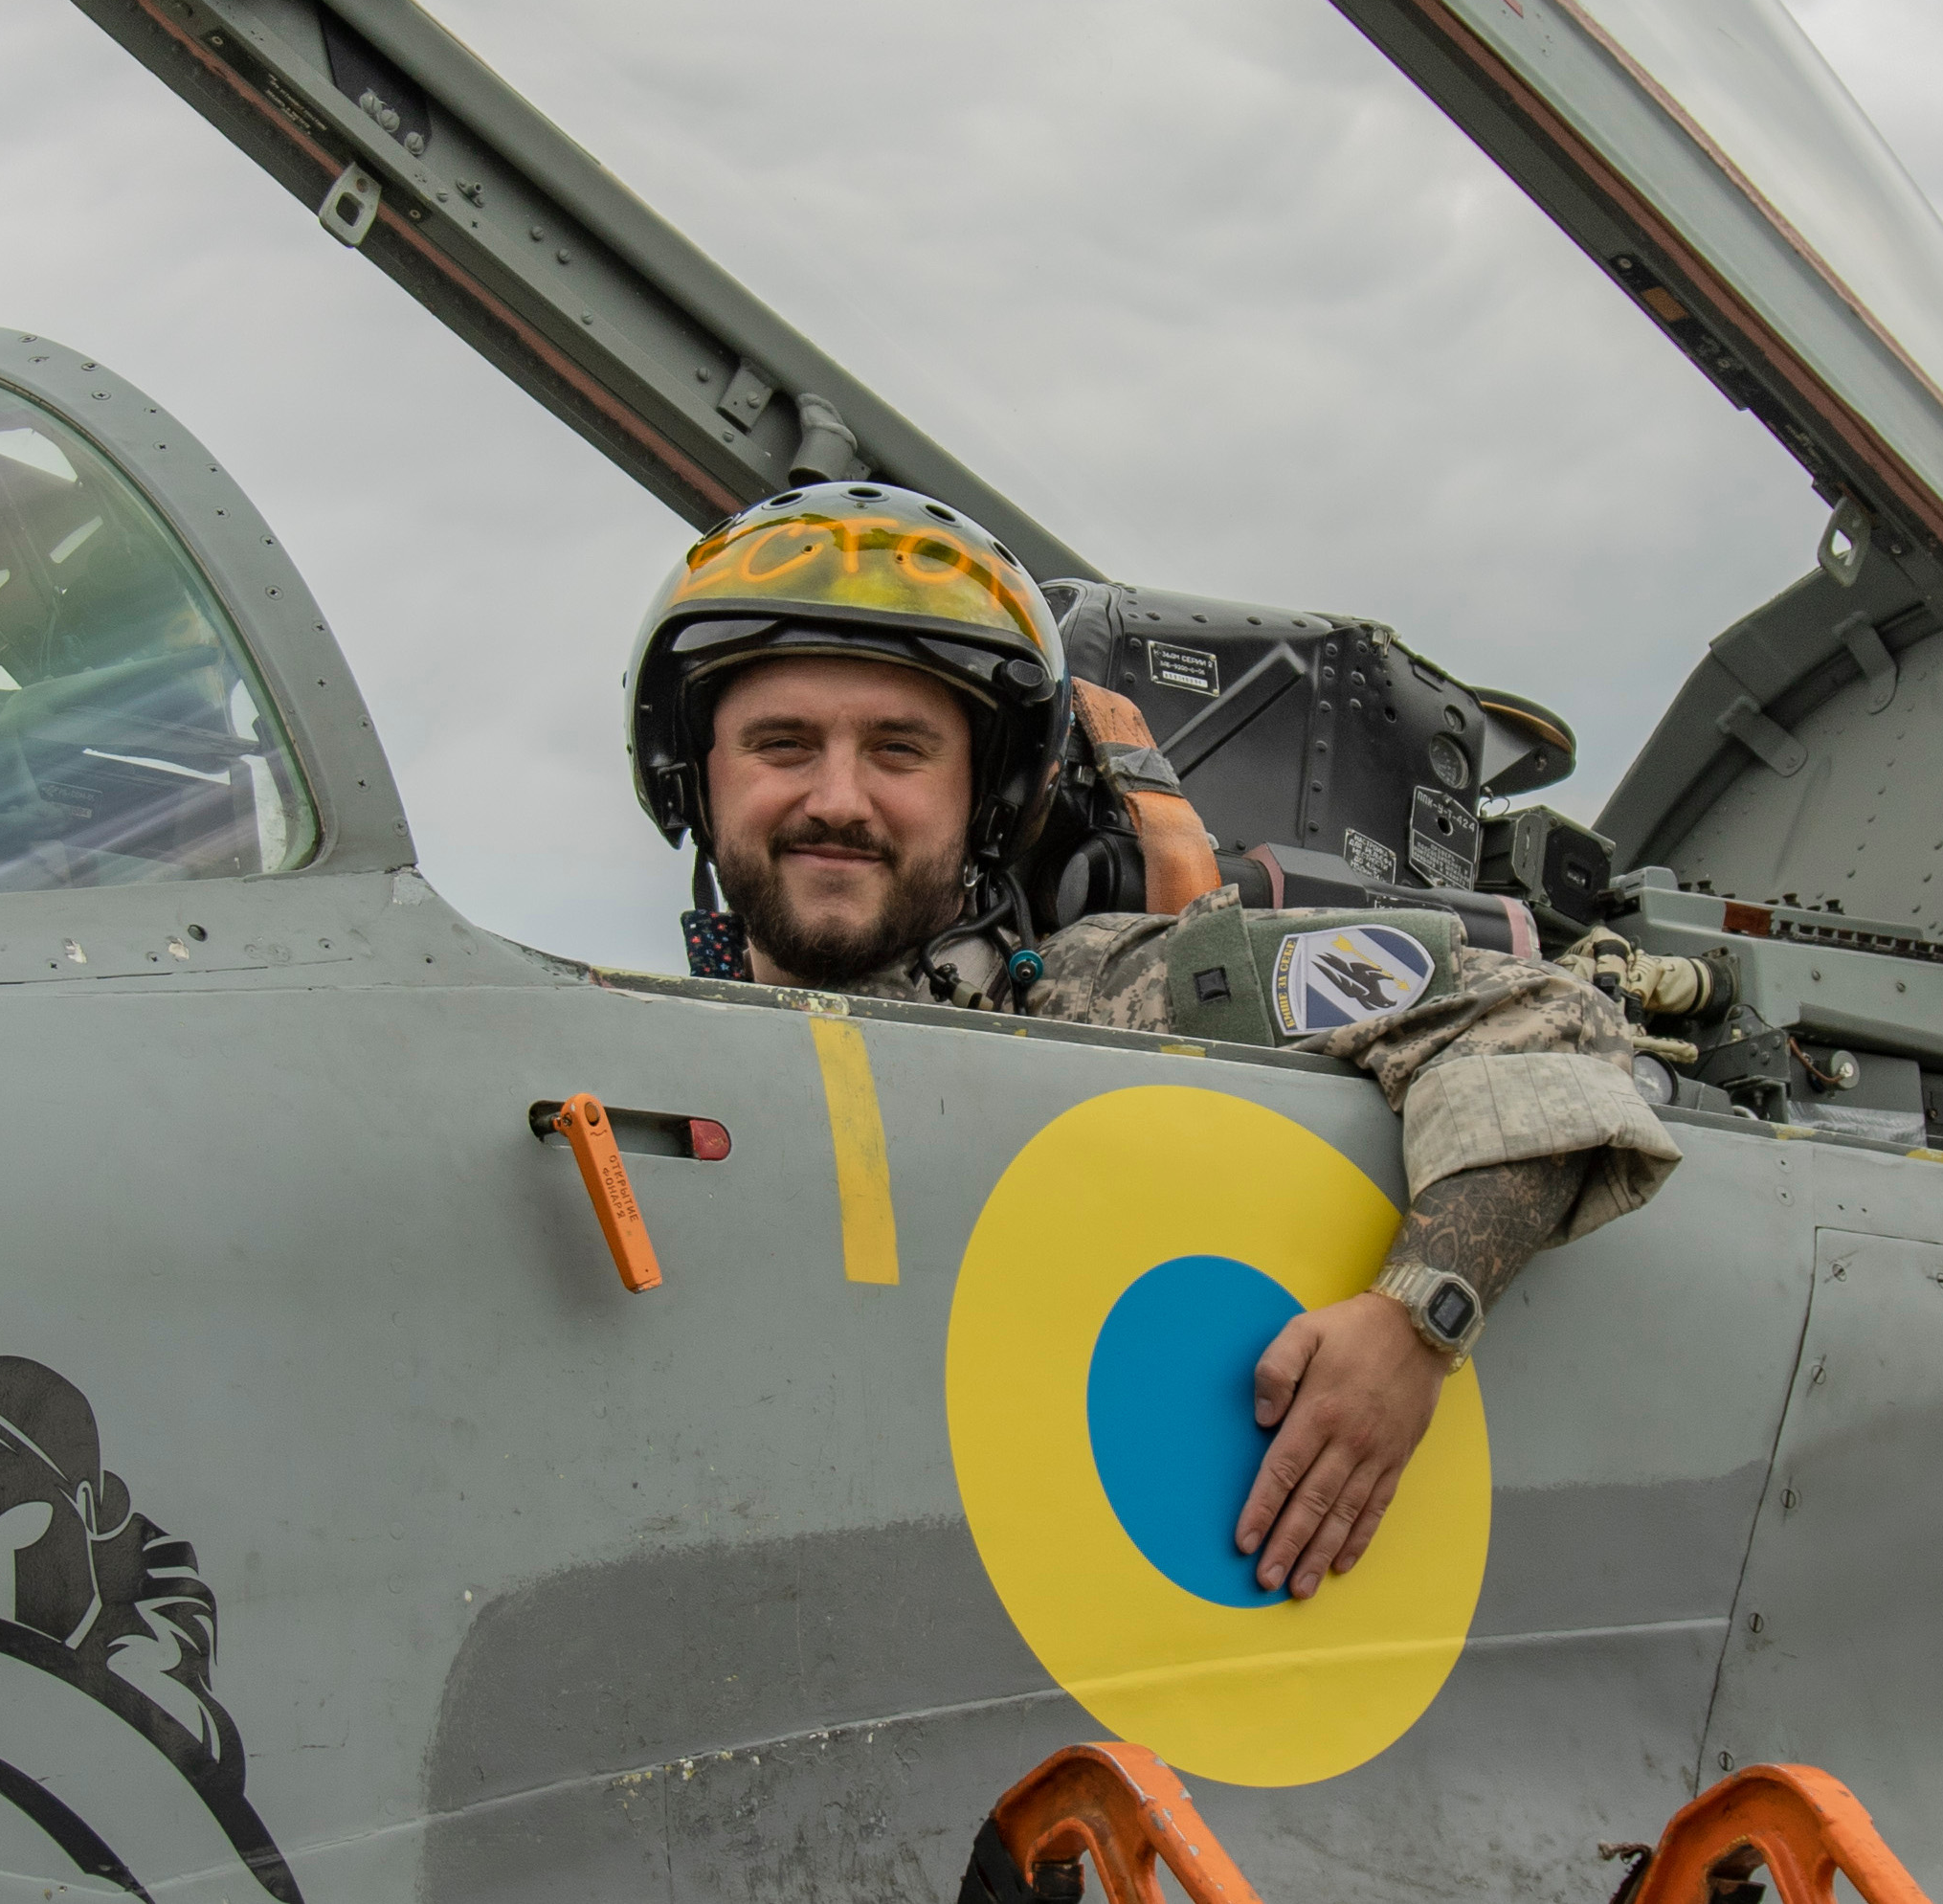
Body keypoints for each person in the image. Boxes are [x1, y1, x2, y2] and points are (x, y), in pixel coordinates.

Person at [627, 482, 1678, 1602]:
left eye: (899, 750)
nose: (838, 799)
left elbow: (1543, 1017)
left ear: (985, 797)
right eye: (781, 744)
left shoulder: (1104, 998)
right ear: (695, 777)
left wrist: (1418, 1318)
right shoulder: (645, 1073)